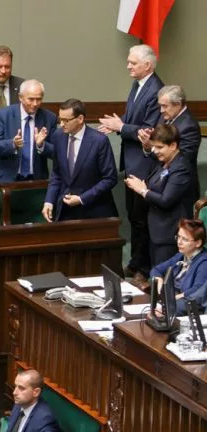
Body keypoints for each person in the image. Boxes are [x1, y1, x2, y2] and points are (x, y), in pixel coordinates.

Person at [98, 44, 163, 280]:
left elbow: (149, 130)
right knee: (134, 217)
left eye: (132, 63)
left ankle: (143, 269)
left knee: (141, 218)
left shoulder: (156, 89)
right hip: (132, 161)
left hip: (144, 164)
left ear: (147, 65)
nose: (128, 66)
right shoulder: (138, 84)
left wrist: (122, 126)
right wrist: (118, 124)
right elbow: (135, 117)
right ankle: (135, 263)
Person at [125, 124, 194, 267]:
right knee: (156, 274)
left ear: (173, 145)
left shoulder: (181, 167)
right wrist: (143, 186)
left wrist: (143, 190)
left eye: (159, 147)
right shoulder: (163, 163)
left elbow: (166, 200)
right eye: (154, 146)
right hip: (156, 231)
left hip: (169, 235)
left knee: (165, 276)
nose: (155, 151)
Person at [42, 99, 118, 222]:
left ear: (80, 119)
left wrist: (82, 199)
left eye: (66, 120)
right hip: (65, 211)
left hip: (95, 212)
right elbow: (57, 173)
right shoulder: (58, 136)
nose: (61, 124)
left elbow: (110, 179)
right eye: (60, 120)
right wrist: (49, 201)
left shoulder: (99, 141)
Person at [139, 85, 201, 205]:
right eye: (160, 106)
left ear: (178, 104)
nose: (161, 110)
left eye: (165, 106)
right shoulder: (166, 118)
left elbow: (182, 160)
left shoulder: (189, 126)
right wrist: (149, 144)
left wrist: (152, 146)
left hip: (178, 190)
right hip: (160, 184)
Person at [0, 79, 56, 184]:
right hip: (7, 179)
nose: (35, 104)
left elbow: (56, 152)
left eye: (39, 99)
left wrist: (42, 145)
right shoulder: (4, 115)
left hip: (37, 180)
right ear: (20, 97)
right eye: (31, 99)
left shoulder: (49, 118)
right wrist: (12, 144)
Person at [150, 219, 207, 316]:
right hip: (169, 304)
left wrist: (175, 298)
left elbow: (198, 289)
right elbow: (156, 270)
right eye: (178, 237)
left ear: (198, 243)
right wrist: (158, 279)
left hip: (186, 310)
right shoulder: (181, 256)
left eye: (184, 239)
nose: (179, 242)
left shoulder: (204, 262)